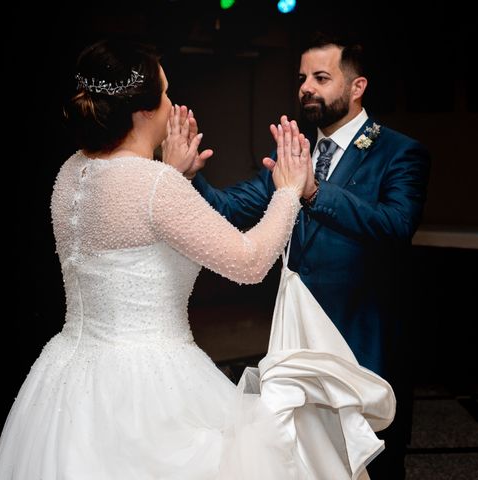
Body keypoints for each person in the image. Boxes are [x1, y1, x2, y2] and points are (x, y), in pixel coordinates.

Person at [0, 38, 395, 479]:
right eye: (164, 94)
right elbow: (250, 261)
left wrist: (171, 176)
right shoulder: (155, 188)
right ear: (143, 111)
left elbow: (129, 226)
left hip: (66, 376)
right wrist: (288, 191)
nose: (170, 104)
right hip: (150, 384)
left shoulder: (70, 172)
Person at [184, 32, 431, 479]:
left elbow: (395, 226)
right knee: (301, 457)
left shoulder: (399, 152)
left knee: (373, 460)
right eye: (302, 78)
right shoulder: (295, 156)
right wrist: (189, 178)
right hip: (296, 340)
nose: (306, 88)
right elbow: (227, 210)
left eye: (321, 77)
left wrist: (314, 192)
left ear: (357, 88)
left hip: (362, 337)